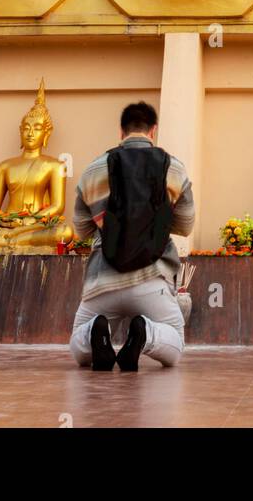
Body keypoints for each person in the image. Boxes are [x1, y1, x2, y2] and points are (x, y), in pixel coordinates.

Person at [69, 101, 195, 371]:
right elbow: (185, 226)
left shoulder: (92, 170)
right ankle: (146, 334)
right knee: (175, 345)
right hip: (154, 281)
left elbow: (81, 230)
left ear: (121, 131)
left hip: (102, 281)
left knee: (78, 347)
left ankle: (94, 332)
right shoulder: (175, 169)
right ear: (153, 131)